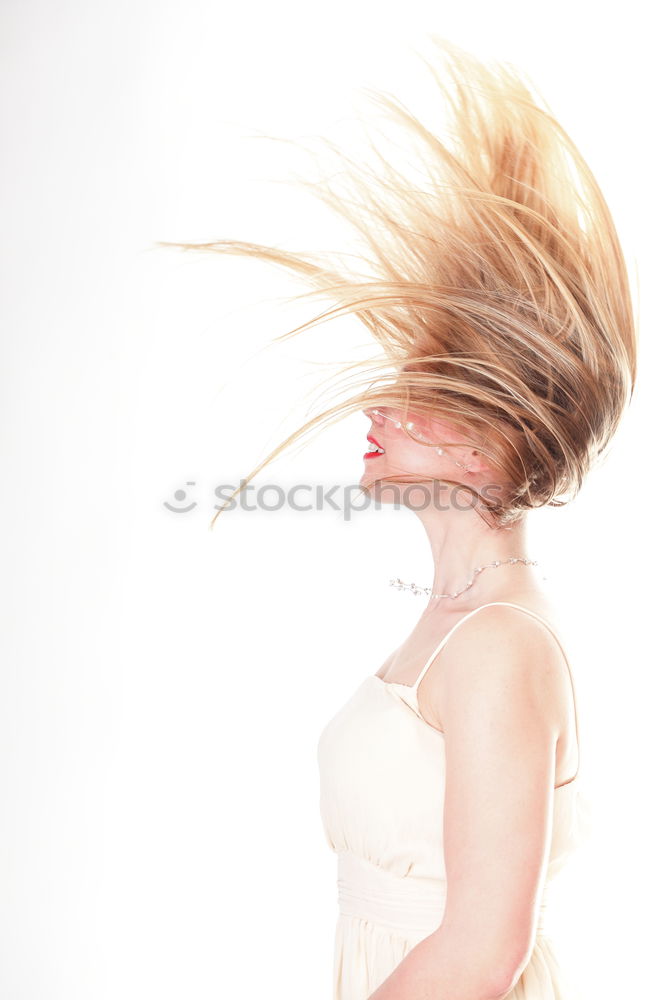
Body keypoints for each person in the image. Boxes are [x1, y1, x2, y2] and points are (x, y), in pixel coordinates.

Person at [164, 36, 636, 1000]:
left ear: (487, 443)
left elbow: (480, 951)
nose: (373, 408)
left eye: (417, 393)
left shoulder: (499, 644)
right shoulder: (456, 624)